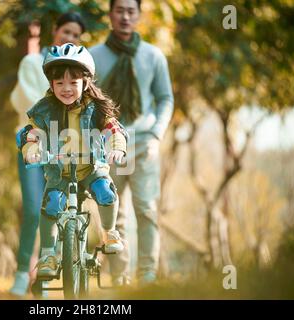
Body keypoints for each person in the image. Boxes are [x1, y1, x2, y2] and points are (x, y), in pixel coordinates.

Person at [19, 43, 127, 277]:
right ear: (51, 84)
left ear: (85, 82)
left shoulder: (96, 108)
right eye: (59, 83)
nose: (66, 89)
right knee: (51, 203)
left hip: (90, 167)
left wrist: (116, 147)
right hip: (59, 171)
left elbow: (114, 129)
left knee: (106, 190)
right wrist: (31, 148)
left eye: (73, 83)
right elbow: (31, 131)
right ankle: (48, 254)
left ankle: (109, 232)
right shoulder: (44, 109)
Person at [90, 0, 174, 286]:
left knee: (147, 209)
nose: (125, 17)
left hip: (143, 145)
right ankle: (120, 276)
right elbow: (89, 102)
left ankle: (148, 275)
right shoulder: (93, 56)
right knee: (114, 212)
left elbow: (165, 99)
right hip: (109, 145)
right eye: (119, 10)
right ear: (111, 14)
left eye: (131, 11)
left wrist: (156, 135)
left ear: (138, 15)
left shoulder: (153, 56)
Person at [9, 12, 86, 297]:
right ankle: (20, 274)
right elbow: (35, 106)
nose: (70, 38)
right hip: (34, 147)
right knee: (32, 209)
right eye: (66, 31)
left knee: (54, 211)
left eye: (76, 36)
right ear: (55, 30)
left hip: (65, 150)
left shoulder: (78, 72)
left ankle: (42, 276)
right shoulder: (32, 63)